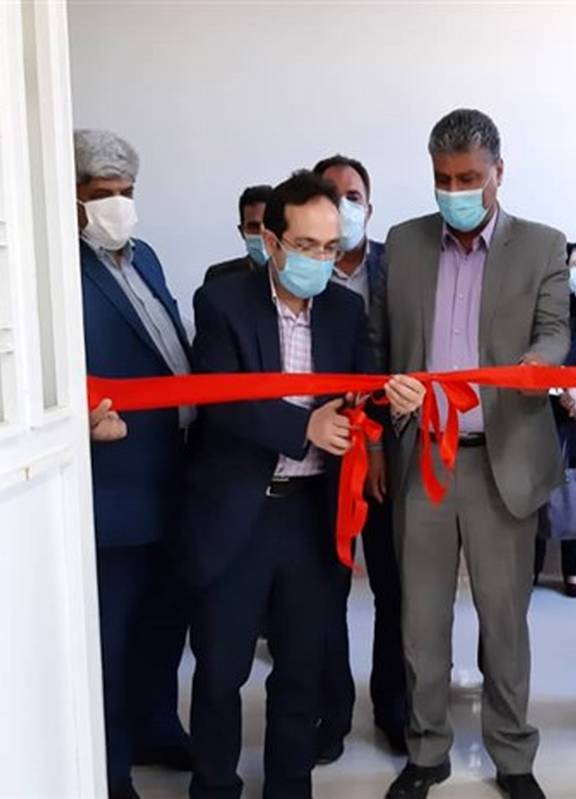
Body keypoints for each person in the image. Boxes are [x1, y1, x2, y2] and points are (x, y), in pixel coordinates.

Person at [182, 170, 425, 799]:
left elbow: (362, 391)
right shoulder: (222, 302)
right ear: (271, 240)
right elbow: (220, 400)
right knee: (221, 670)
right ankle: (214, 787)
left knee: (300, 670)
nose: (320, 260)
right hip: (238, 513)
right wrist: (303, 426)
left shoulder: (345, 309)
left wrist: (392, 401)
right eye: (306, 245)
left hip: (314, 516)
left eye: (330, 247)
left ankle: (289, 786)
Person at [369, 108, 568, 799]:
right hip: (422, 458)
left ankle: (512, 754)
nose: (455, 190)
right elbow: (380, 345)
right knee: (420, 621)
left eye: (469, 177)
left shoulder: (541, 245)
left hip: (501, 458)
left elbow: (555, 330)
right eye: (443, 178)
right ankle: (426, 750)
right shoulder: (403, 244)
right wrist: (380, 427)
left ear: (498, 173)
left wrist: (536, 366)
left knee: (504, 622)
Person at [76, 128, 193, 799]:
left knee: (163, 622)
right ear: (71, 197)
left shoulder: (143, 255)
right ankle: (112, 764)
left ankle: (157, 727)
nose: (117, 205)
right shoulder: (58, 271)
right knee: (112, 637)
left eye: (126, 191)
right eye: (101, 193)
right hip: (113, 482)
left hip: (173, 473)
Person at [310, 154, 409, 762]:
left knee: (396, 590)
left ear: (369, 208)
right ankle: (331, 712)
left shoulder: (400, 267)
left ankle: (394, 707)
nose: (343, 205)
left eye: (353, 196)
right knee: (325, 591)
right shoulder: (299, 271)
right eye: (331, 194)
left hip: (393, 456)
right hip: (319, 456)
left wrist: (379, 444)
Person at [533, 242, 576, 598]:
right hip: (541, 413)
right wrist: (559, 391)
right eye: (570, 264)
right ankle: (532, 568)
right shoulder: (537, 311)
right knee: (537, 493)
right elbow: (532, 360)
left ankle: (573, 571)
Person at [203, 184, 275, 283]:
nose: (262, 233)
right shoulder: (218, 277)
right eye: (253, 227)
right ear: (242, 231)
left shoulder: (295, 277)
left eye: (269, 224)